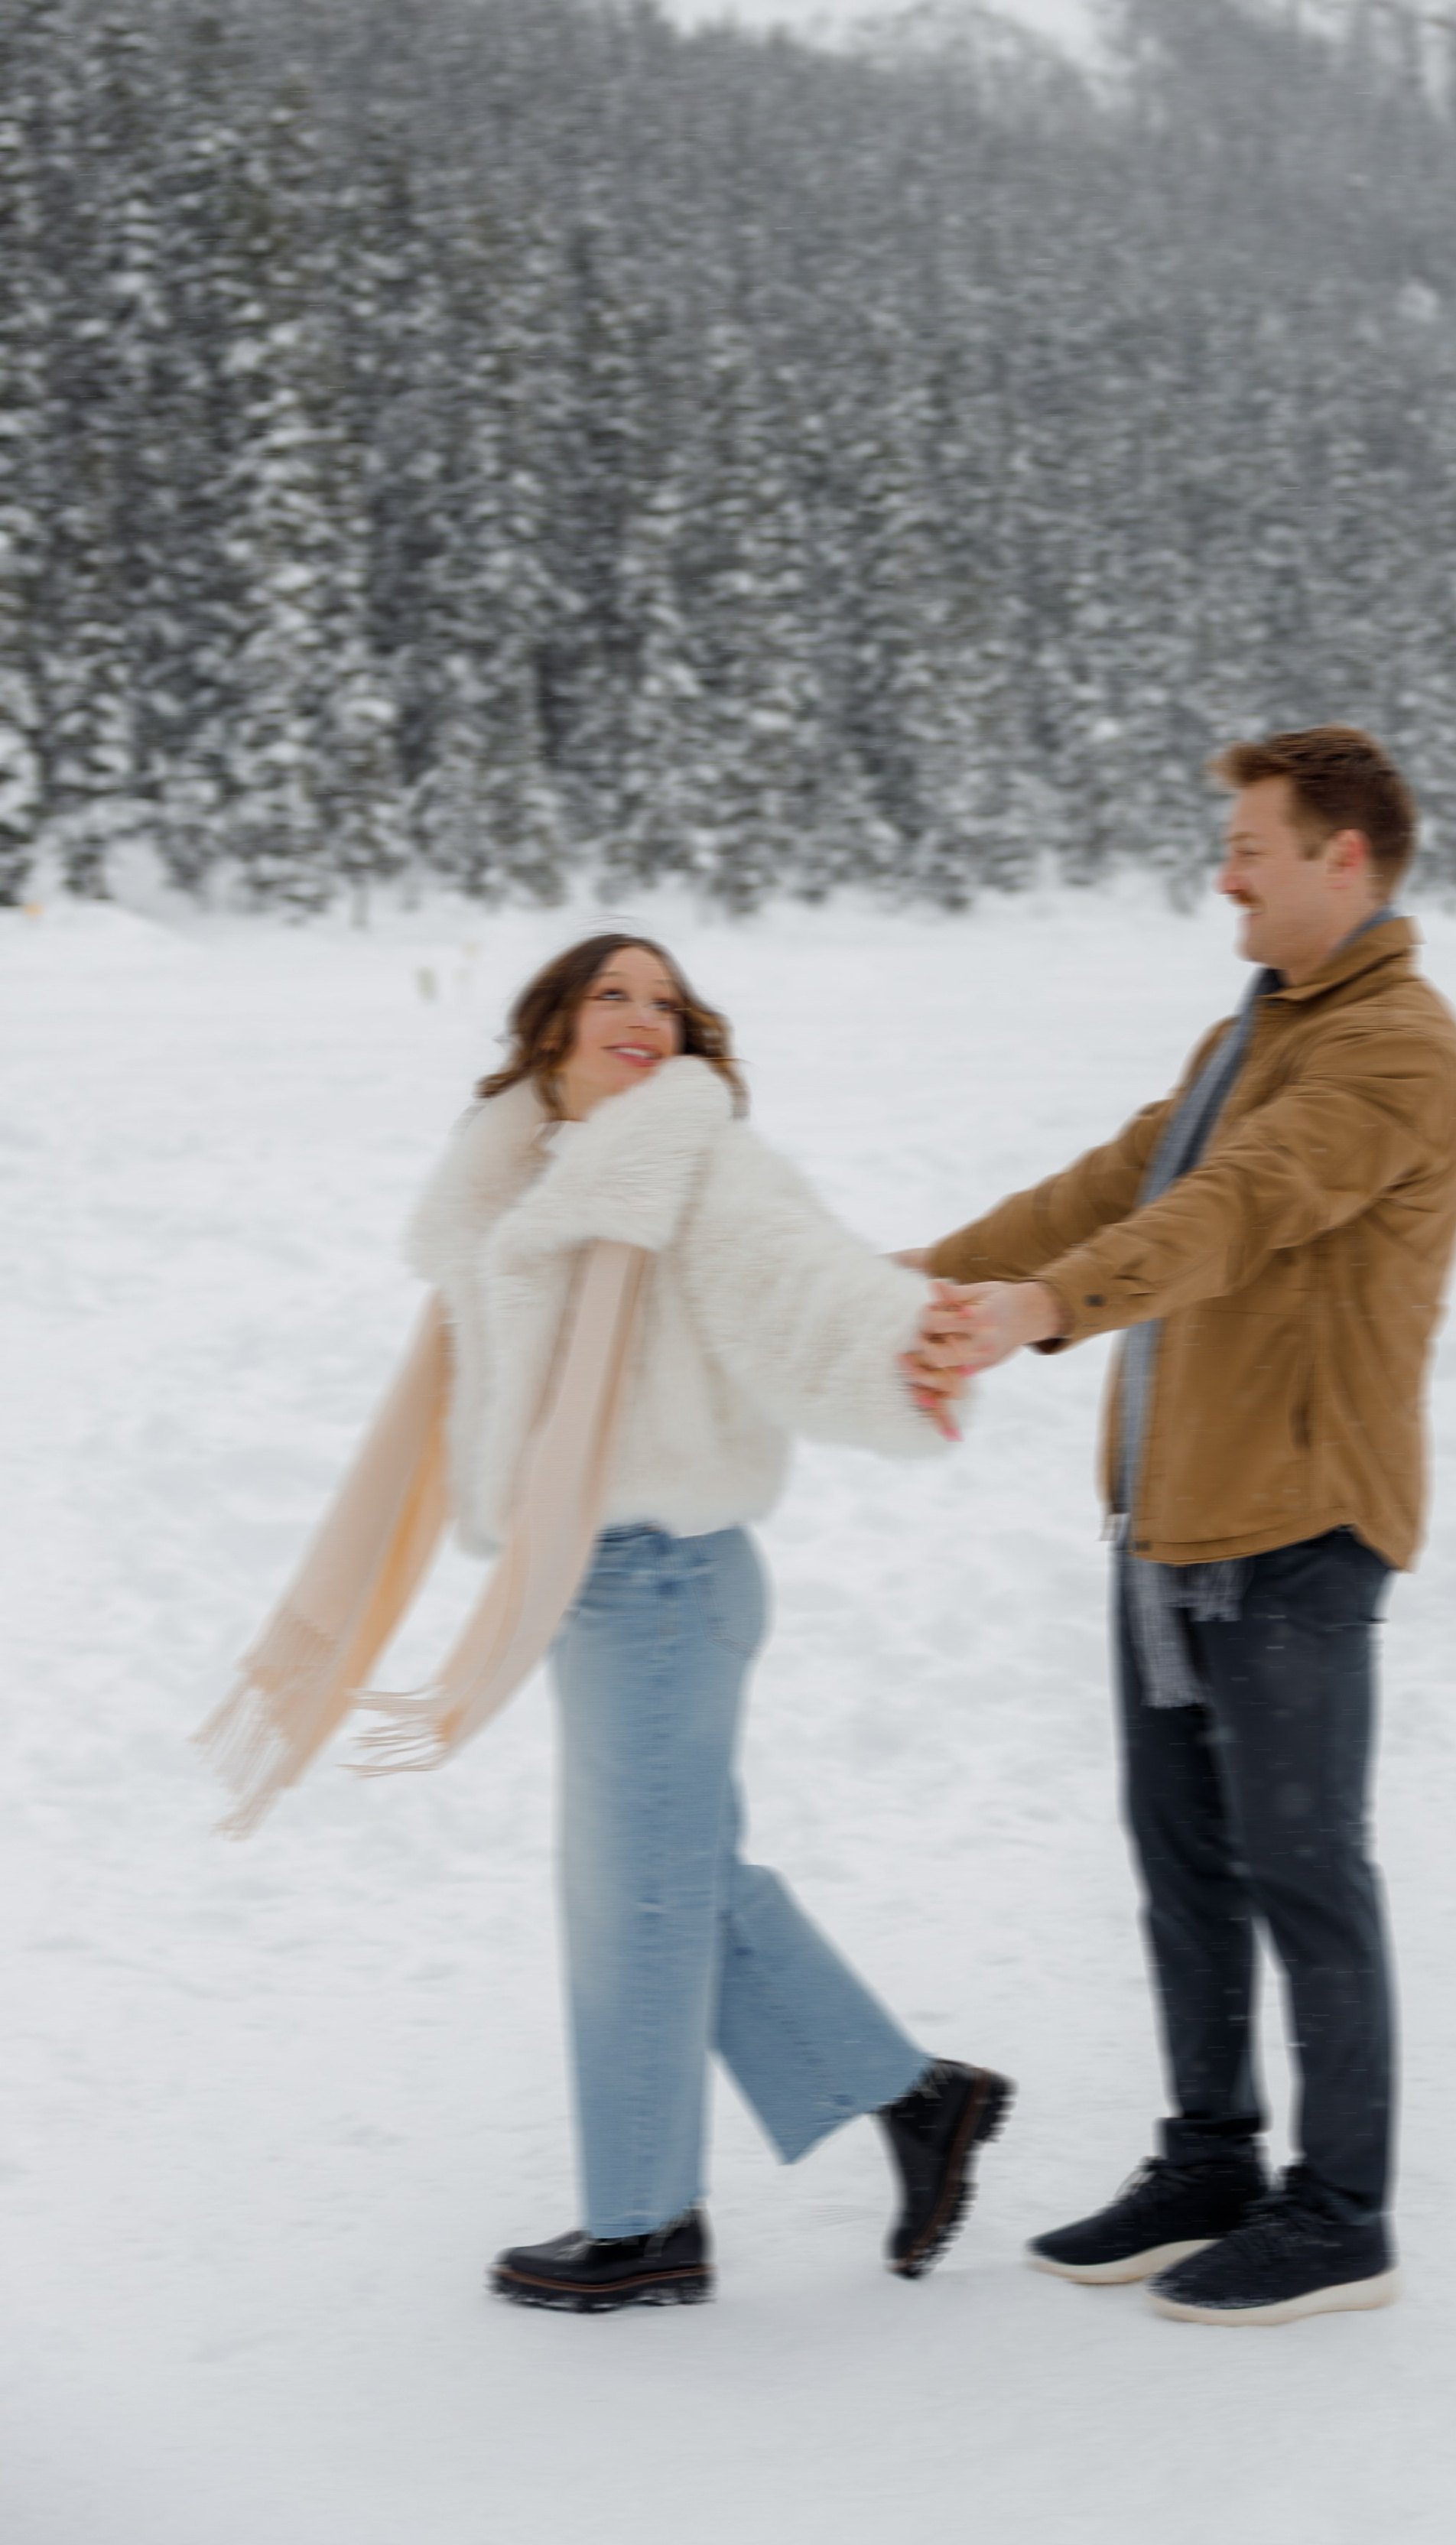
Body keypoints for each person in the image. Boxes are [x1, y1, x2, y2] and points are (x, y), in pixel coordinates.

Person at [200, 932, 1011, 2314]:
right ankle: (919, 2101)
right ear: (555, 1027)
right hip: (595, 1580)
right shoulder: (524, 1179)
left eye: (667, 1003)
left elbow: (801, 1281)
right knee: (676, 1881)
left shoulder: (694, 1164)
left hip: (667, 1577)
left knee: (635, 1898)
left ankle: (647, 2225)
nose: (644, 1017)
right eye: (612, 994)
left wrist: (905, 1345)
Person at [918, 727, 1456, 2328]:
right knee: (1181, 1862)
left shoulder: (1395, 1052)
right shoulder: (1257, 1029)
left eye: (1247, 846)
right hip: (1174, 1518)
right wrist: (914, 1287)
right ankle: (1211, 2160)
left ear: (1341, 858)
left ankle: (1343, 2213)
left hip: (1296, 1525)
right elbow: (1117, 1183)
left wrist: (1038, 1313)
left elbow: (1231, 1214)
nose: (1220, 875)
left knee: (1304, 1869)